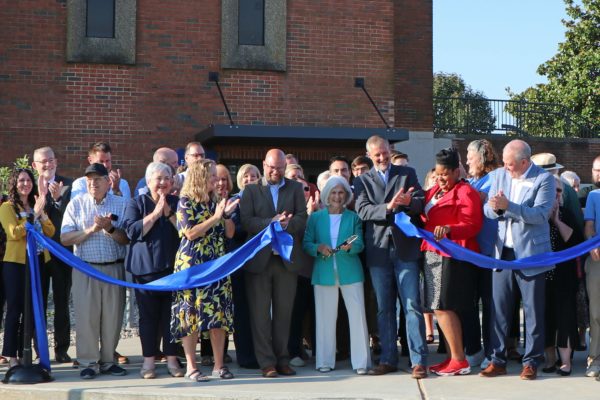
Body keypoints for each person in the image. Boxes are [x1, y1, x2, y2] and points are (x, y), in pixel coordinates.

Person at [480, 139, 555, 381]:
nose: (506, 167)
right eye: (504, 163)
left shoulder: (544, 179)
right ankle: (497, 360)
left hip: (532, 254)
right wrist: (495, 207)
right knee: (498, 309)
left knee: (533, 310)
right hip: (503, 253)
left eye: (511, 164)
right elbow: (488, 210)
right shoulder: (500, 174)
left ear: (525, 162)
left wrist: (508, 206)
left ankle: (531, 361)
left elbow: (541, 214)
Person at [354, 135, 428, 379]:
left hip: (405, 249)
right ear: (370, 155)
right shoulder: (362, 180)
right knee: (384, 308)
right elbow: (363, 210)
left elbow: (421, 202)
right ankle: (387, 358)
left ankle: (418, 361)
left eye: (385, 152)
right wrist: (387, 207)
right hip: (379, 251)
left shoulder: (407, 173)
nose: (383, 158)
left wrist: (408, 202)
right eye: (377, 155)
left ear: (390, 150)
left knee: (411, 306)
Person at [239, 148, 307, 378]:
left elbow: (302, 218)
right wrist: (272, 222)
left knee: (283, 314)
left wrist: (287, 226)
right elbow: (247, 222)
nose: (275, 171)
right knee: (260, 315)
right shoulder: (250, 191)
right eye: (271, 167)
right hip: (259, 261)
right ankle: (266, 363)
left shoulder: (296, 188)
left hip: (286, 261)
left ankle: (283, 359)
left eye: (279, 168)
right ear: (264, 165)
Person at [170, 159, 239, 382]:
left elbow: (229, 234)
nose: (216, 180)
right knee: (191, 315)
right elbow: (189, 233)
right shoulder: (185, 201)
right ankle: (192, 366)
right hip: (193, 264)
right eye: (211, 176)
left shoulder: (217, 201)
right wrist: (215, 217)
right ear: (199, 177)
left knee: (218, 314)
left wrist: (225, 216)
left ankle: (219, 365)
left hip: (217, 264)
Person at [61, 163, 129, 379]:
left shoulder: (122, 204)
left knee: (112, 317)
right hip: (85, 268)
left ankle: (108, 361)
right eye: (89, 179)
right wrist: (91, 230)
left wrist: (109, 228)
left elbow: (127, 238)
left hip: (113, 267)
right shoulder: (76, 205)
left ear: (108, 182)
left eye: (98, 179)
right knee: (86, 317)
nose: (93, 183)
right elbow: (64, 238)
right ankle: (88, 362)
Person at [421, 148, 483, 376]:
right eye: (438, 174)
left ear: (457, 171)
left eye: (445, 174)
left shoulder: (466, 191)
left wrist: (449, 229)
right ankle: (451, 357)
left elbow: (473, 224)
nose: (441, 179)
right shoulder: (434, 191)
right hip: (432, 253)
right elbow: (424, 215)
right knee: (438, 307)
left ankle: (460, 359)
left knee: (443, 306)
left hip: (453, 254)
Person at [303, 176, 370, 374]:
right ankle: (324, 361)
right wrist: (318, 248)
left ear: (346, 195)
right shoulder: (315, 218)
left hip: (350, 271)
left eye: (341, 193)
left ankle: (361, 363)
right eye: (333, 192)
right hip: (323, 273)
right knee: (324, 318)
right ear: (326, 195)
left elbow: (360, 244)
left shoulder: (354, 217)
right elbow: (306, 243)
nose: (337, 197)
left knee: (358, 318)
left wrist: (351, 247)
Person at [123, 162, 184, 379]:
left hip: (173, 270)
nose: (162, 183)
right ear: (148, 181)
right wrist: (155, 214)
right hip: (145, 271)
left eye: (166, 178)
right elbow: (131, 231)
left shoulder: (177, 202)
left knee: (171, 317)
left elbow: (185, 232)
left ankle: (172, 359)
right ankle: (148, 361)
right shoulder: (136, 202)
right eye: (158, 178)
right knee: (148, 318)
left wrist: (167, 213)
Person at [0, 168, 54, 368]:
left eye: (28, 180)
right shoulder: (7, 207)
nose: (25, 184)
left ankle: (26, 355)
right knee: (15, 309)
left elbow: (50, 231)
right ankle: (12, 357)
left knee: (32, 310)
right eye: (21, 180)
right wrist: (34, 216)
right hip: (16, 264)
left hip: (38, 262)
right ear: (14, 183)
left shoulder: (36, 204)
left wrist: (40, 213)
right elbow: (14, 233)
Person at [31, 146, 74, 363]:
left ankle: (61, 349)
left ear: (56, 161)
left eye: (50, 160)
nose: (47, 165)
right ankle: (39, 350)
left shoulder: (69, 185)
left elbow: (72, 218)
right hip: (36, 255)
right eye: (42, 162)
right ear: (34, 166)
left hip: (60, 253)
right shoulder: (29, 187)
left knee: (61, 303)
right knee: (37, 302)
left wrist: (57, 200)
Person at [464, 139, 501, 368]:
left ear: (483, 156)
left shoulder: (495, 179)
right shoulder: (470, 181)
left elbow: (487, 203)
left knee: (490, 305)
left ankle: (491, 351)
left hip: (489, 253)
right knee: (468, 303)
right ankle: (474, 350)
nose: (467, 160)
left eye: (470, 156)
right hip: (468, 252)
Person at [543, 176, 580, 376]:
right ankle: (550, 359)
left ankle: (565, 361)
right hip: (542, 276)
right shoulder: (537, 215)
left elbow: (573, 240)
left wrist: (556, 220)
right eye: (551, 190)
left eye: (558, 191)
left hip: (564, 276)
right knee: (545, 316)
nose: (556, 195)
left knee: (565, 317)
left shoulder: (567, 214)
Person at [583, 155, 600, 378]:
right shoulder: (593, 197)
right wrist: (591, 245)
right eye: (596, 170)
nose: (598, 174)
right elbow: (589, 225)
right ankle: (595, 358)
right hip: (597, 261)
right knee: (596, 312)